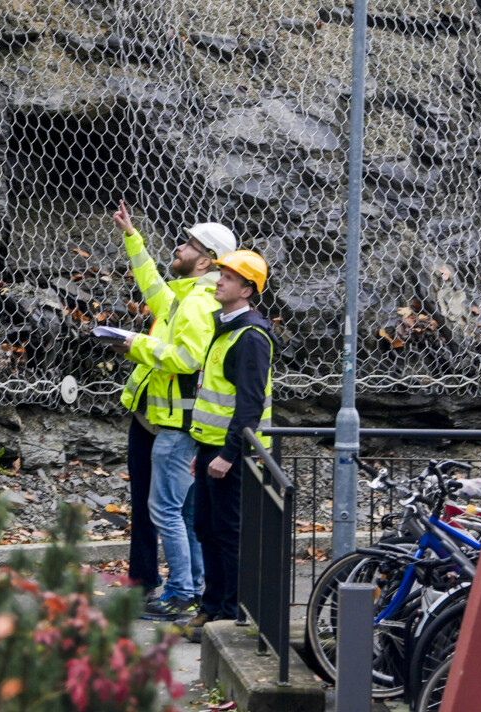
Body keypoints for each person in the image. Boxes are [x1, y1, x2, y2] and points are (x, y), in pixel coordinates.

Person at [110, 199, 238, 620]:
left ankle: (181, 592)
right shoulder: (187, 298)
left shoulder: (198, 305)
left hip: (176, 425)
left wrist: (135, 344)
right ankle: (193, 589)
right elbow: (152, 288)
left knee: (167, 510)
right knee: (180, 511)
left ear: (206, 262)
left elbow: (187, 358)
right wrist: (133, 239)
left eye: (188, 245)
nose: (178, 249)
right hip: (162, 420)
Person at [184, 250, 275, 642]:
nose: (219, 280)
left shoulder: (250, 337)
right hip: (212, 450)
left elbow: (249, 405)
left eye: (229, 277)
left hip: (234, 455)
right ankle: (213, 605)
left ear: (247, 289)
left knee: (228, 532)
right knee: (206, 527)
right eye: (220, 273)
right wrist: (203, 450)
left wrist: (226, 454)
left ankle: (230, 613)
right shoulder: (226, 328)